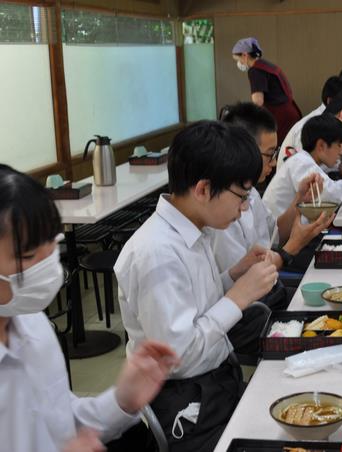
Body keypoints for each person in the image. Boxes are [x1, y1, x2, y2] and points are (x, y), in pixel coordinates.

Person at [115, 121, 279, 452]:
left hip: (217, 379)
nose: (245, 207)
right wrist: (239, 295)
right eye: (241, 196)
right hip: (189, 402)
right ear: (203, 189)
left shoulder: (193, 228)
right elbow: (180, 357)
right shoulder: (156, 253)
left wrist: (234, 274)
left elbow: (195, 303)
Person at [0, 164, 179, 452]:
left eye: (52, 246)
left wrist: (121, 400)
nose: (48, 268)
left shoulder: (31, 323)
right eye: (29, 255)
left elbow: (63, 421)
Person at [220, 103, 333, 307]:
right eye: (269, 154)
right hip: (254, 306)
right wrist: (294, 246)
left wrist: (299, 201)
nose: (273, 163)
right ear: (244, 150)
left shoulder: (251, 191)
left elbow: (275, 234)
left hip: (271, 288)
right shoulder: (222, 208)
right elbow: (249, 280)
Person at [263, 113, 342, 218]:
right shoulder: (302, 162)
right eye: (338, 145)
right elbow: (330, 194)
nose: (341, 151)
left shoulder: (305, 160)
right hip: (275, 238)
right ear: (321, 146)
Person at [232, 37, 301, 143]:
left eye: (238, 59)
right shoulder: (267, 66)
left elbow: (258, 102)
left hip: (281, 117)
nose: (239, 63)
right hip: (291, 112)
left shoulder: (255, 70)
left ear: (245, 55)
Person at [277, 75, 342, 167]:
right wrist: (340, 150)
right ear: (330, 101)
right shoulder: (311, 125)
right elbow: (307, 169)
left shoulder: (328, 123)